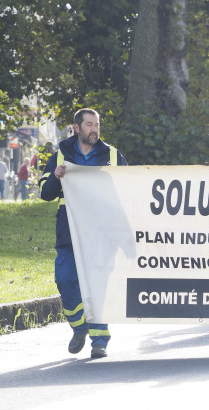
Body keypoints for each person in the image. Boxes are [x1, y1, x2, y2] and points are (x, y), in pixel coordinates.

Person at [38, 108, 128, 359]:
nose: (94, 129)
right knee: (65, 280)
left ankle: (99, 341)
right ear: (77, 128)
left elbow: (128, 190)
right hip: (69, 230)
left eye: (97, 124)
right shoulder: (60, 155)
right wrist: (56, 178)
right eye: (89, 124)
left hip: (102, 232)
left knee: (99, 286)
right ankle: (79, 327)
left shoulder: (112, 155)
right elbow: (45, 193)